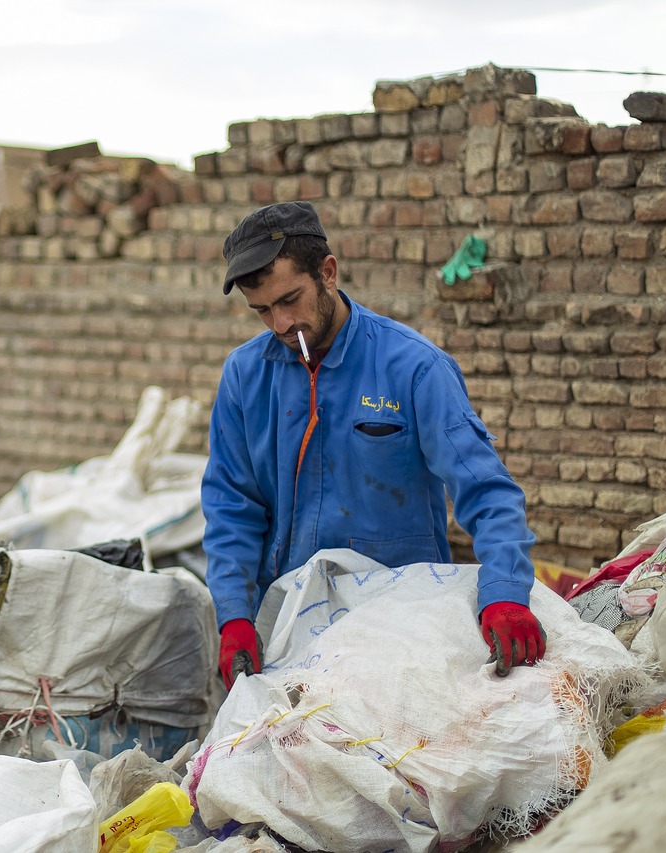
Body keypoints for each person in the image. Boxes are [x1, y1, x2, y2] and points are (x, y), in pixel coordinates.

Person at [202, 201, 545, 689]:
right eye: (262, 311)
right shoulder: (244, 375)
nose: (280, 324)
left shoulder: (415, 367)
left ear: (328, 272)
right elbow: (231, 505)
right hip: (287, 627)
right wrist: (235, 615)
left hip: (401, 628)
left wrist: (506, 592)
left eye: (290, 300)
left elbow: (486, 489)